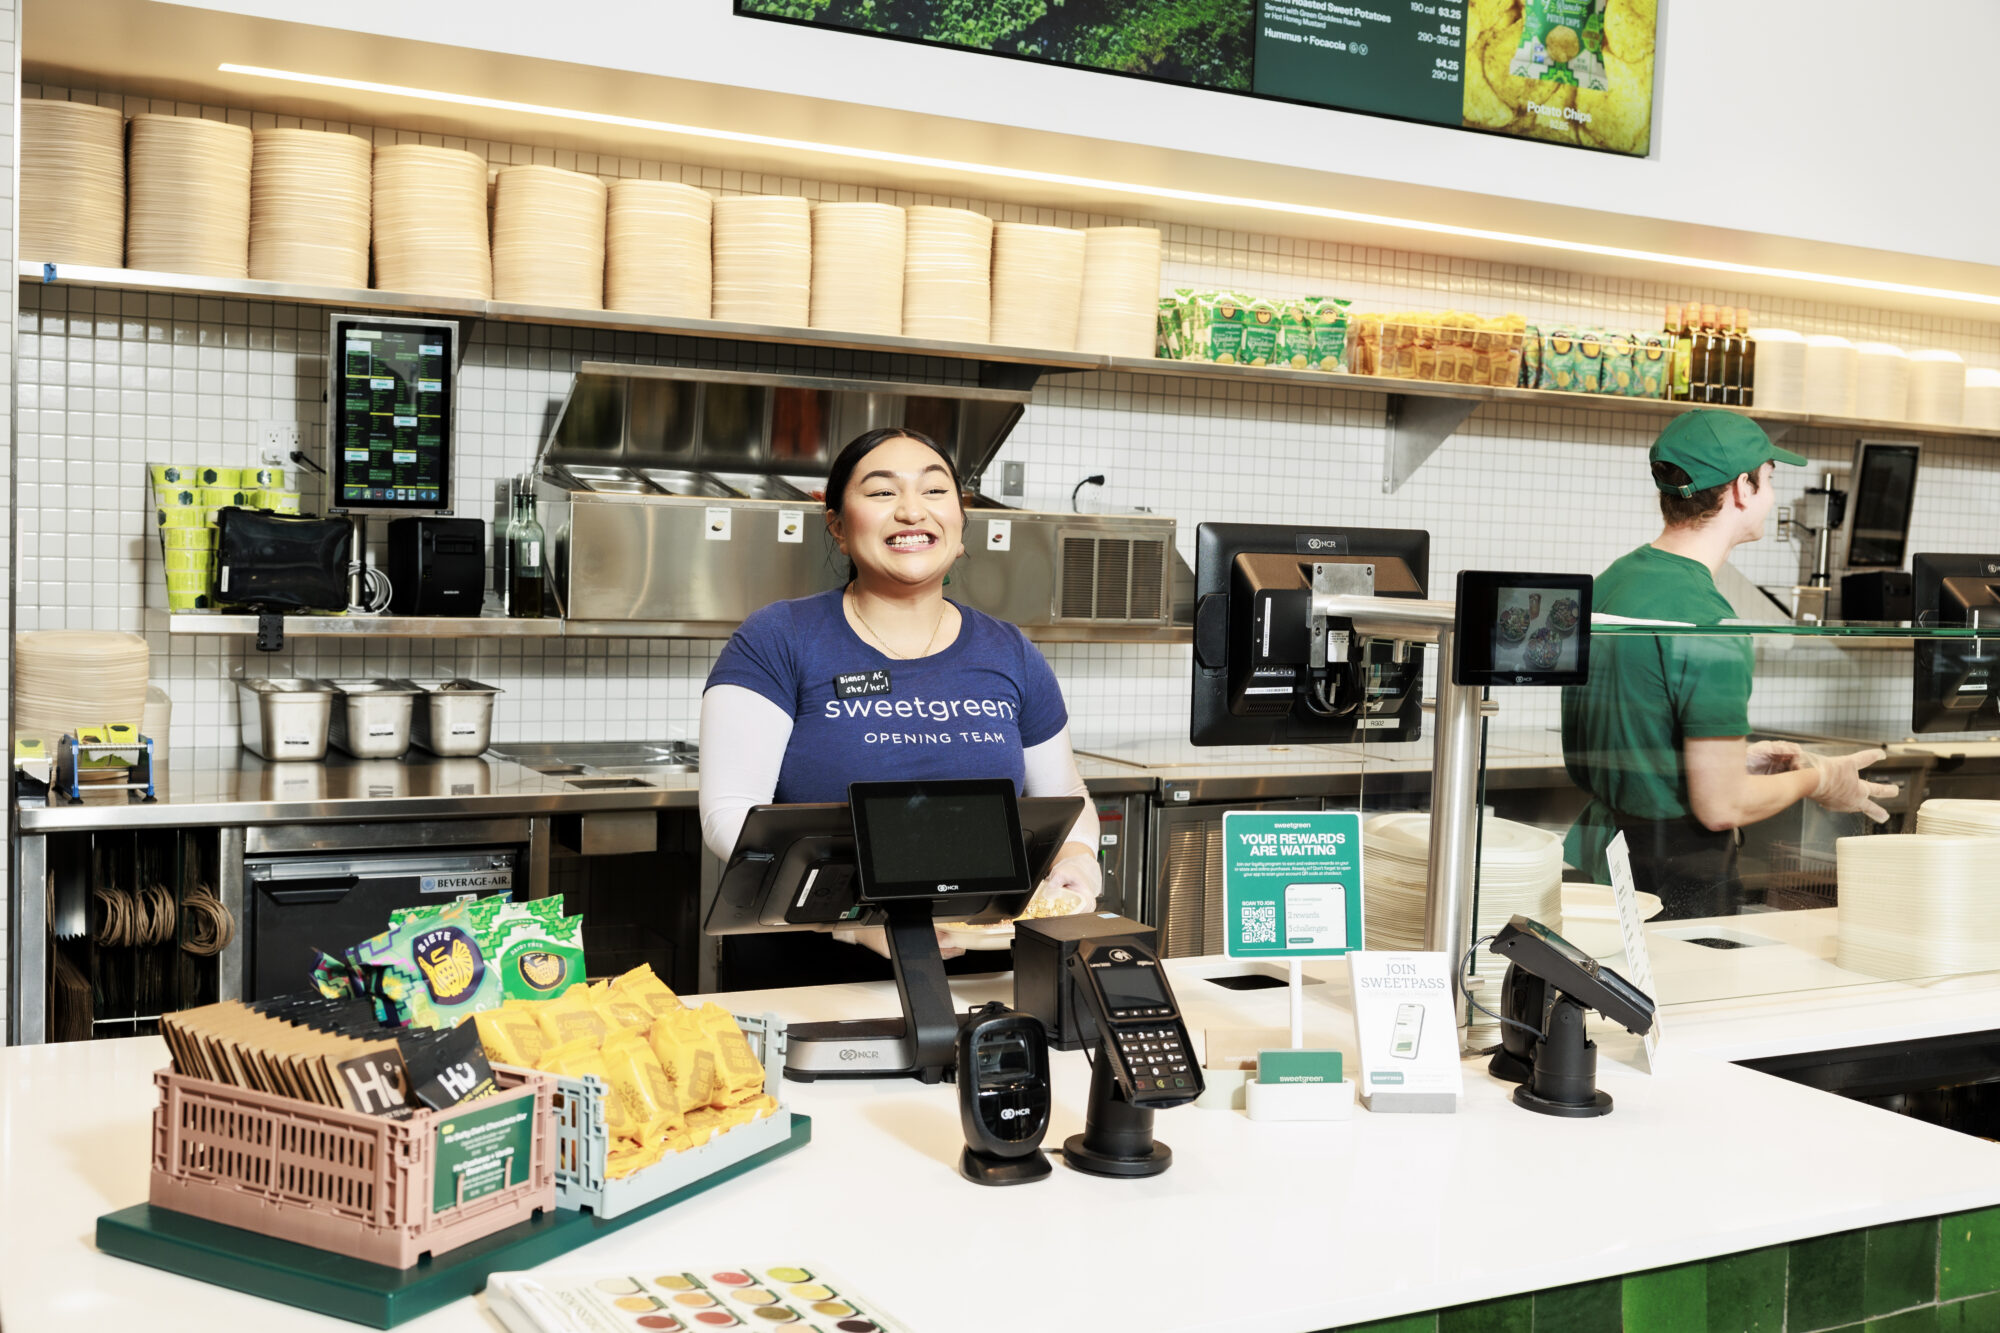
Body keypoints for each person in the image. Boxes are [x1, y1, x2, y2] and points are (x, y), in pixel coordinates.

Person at [698, 426, 1101, 985]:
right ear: (838, 525)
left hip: (991, 972)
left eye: (936, 492)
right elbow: (733, 816)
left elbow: (1064, 797)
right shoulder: (779, 638)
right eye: (883, 492)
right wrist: (852, 922)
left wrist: (1077, 861)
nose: (913, 512)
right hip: (816, 970)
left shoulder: (1009, 650)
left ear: (960, 527)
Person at [1561, 410, 1896, 919]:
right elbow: (1723, 808)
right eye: (1770, 479)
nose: (1772, 495)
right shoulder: (1711, 624)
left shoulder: (1611, 582)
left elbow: (1636, 741)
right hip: (1672, 879)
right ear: (1742, 488)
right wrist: (1822, 780)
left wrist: (1733, 759)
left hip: (1598, 862)